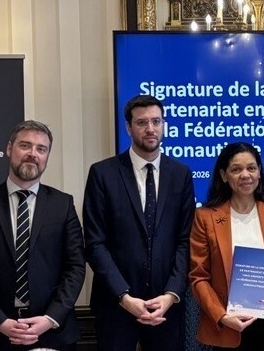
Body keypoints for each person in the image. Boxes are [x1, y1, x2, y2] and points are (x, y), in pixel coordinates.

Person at [0, 120, 85, 350]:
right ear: (9, 149)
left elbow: (75, 267)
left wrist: (50, 319)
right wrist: (0, 321)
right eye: (25, 145)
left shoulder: (63, 205)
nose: (32, 154)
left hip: (52, 333)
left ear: (47, 156)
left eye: (41, 149)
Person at [82, 95, 196, 350]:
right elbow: (95, 243)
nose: (150, 128)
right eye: (142, 122)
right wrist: (124, 297)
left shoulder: (181, 174)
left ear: (164, 124)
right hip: (115, 304)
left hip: (166, 306)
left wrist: (171, 294)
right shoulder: (102, 173)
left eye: (156, 121)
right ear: (128, 127)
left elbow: (185, 240)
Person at [189, 142, 264, 350]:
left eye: (251, 168)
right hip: (227, 322)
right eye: (236, 170)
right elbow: (198, 277)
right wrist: (221, 315)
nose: (245, 175)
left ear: (259, 172)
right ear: (224, 175)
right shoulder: (205, 217)